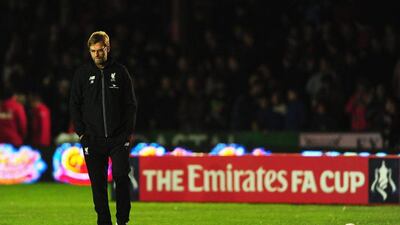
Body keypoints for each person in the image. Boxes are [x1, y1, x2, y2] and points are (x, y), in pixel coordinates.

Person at [70, 31, 137, 225]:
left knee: (121, 177)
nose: (97, 54)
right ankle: (104, 221)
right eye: (93, 51)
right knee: (98, 184)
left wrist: (126, 134)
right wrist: (82, 134)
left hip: (118, 139)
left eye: (100, 50)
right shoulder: (82, 74)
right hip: (93, 139)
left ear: (108, 48)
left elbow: (130, 105)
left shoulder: (121, 72)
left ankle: (122, 221)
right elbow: (74, 105)